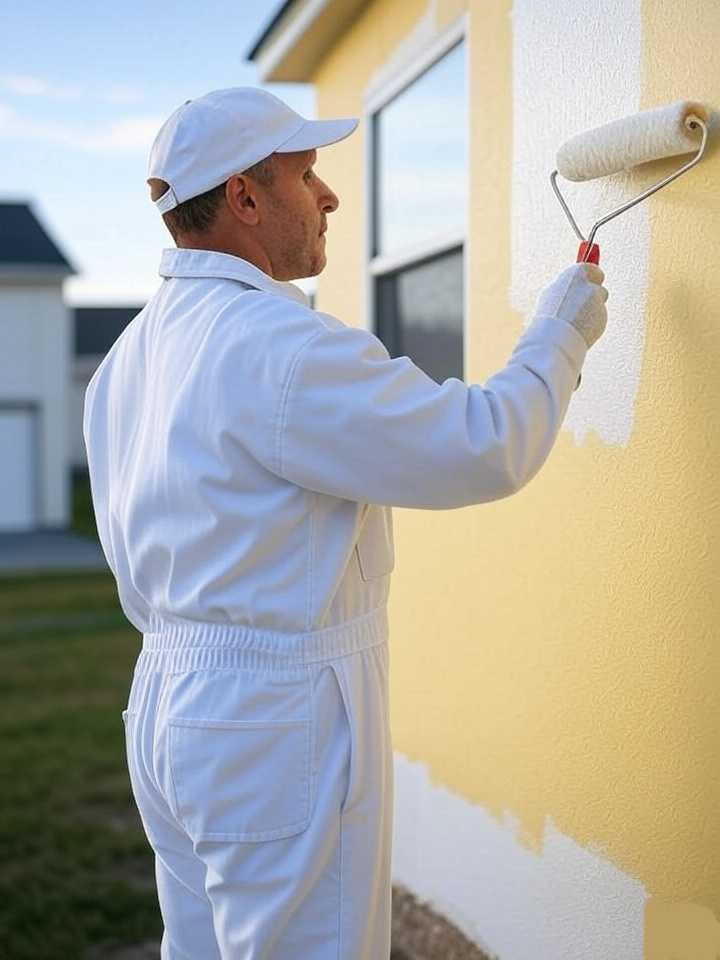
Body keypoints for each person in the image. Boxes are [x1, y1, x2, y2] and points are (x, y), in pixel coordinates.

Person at [83, 87, 608, 960]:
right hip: (271, 722)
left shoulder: (127, 358)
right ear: (244, 199)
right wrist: (562, 330)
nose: (327, 195)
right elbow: (482, 445)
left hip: (168, 712)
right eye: (305, 174)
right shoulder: (280, 349)